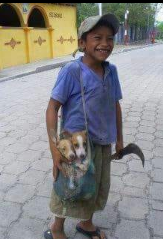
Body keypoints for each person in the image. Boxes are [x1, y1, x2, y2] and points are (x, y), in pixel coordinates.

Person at [45, 13, 124, 239]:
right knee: (71, 186)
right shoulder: (72, 71)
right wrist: (54, 149)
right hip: (75, 144)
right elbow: (52, 109)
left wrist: (119, 139)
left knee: (95, 184)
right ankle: (56, 227)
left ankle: (86, 224)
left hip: (102, 142)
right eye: (97, 37)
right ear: (82, 43)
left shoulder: (112, 71)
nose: (105, 44)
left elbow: (115, 105)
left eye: (110, 38)